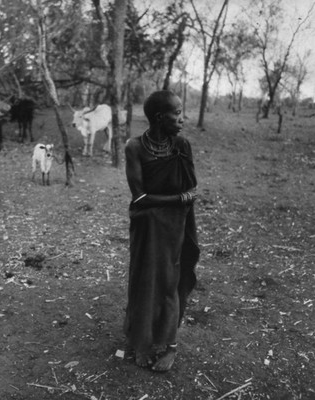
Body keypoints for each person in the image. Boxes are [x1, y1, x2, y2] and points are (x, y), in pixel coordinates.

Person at [124, 90, 200, 372]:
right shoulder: (135, 147)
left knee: (169, 283)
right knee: (143, 281)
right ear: (159, 117)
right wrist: (177, 200)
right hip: (145, 226)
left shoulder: (181, 146)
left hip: (174, 226)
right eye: (177, 113)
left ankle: (169, 346)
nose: (182, 119)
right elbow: (140, 198)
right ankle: (141, 341)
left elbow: (191, 188)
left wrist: (179, 201)